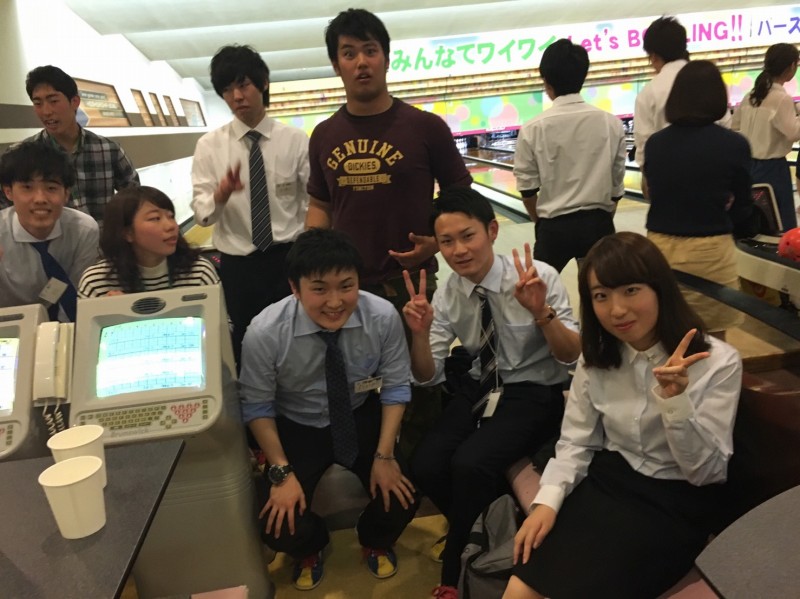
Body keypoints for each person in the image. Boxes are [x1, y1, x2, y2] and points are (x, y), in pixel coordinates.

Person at [504, 232, 742, 599]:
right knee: (520, 586)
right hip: (610, 480)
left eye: (631, 290)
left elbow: (706, 472)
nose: (616, 309)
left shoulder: (718, 363)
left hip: (675, 500)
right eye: (601, 296)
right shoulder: (598, 355)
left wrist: (676, 403)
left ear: (660, 289)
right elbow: (576, 440)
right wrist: (547, 501)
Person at [306, 8, 473, 457]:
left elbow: (462, 199)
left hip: (410, 283)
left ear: (386, 57)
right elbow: (320, 205)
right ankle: (368, 461)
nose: (361, 62)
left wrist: (438, 243)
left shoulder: (425, 127)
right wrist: (307, 264)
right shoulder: (323, 135)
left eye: (370, 50)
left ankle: (421, 465)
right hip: (347, 286)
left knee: (420, 381)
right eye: (349, 53)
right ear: (336, 64)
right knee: (356, 381)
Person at [401, 187, 581, 599]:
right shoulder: (449, 291)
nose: (459, 250)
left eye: (468, 236)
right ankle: (482, 528)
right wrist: (420, 335)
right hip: (479, 387)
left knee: (470, 463)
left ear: (493, 231)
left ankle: (453, 574)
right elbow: (427, 376)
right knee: (425, 464)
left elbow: (571, 357)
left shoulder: (538, 276)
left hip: (533, 390)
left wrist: (540, 312)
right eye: (447, 241)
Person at [239, 228, 418, 591]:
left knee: (402, 497)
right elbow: (257, 406)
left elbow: (396, 385)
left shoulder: (382, 316)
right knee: (278, 525)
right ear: (295, 287)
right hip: (297, 423)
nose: (335, 302)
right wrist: (281, 471)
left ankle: (373, 537)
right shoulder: (265, 331)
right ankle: (312, 545)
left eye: (346, 286)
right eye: (319, 289)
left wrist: (385, 456)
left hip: (358, 412)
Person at [191, 44, 310, 365]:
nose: (236, 97)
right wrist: (220, 194)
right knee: (247, 340)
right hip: (238, 265)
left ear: (263, 82)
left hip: (287, 257)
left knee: (298, 335)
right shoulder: (209, 146)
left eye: (243, 85)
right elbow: (201, 214)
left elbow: (312, 199)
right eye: (227, 90)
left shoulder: (295, 140)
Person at [645, 60, 758, 337]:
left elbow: (652, 193)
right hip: (712, 251)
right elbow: (743, 205)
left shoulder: (655, 144)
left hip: (660, 249)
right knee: (715, 340)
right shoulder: (734, 144)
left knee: (667, 335)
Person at [514, 38, 626, 273]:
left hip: (553, 228)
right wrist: (603, 217)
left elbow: (527, 190)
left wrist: (542, 223)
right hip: (598, 223)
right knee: (603, 290)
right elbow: (617, 186)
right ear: (583, 76)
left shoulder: (532, 128)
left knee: (540, 291)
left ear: (546, 82)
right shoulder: (611, 123)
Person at [0, 66, 140, 223]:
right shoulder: (19, 156)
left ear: (74, 102)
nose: (46, 111)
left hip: (101, 238)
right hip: (49, 238)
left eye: (53, 101)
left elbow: (135, 201)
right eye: (38, 103)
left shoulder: (109, 150)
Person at [0, 141, 98, 319]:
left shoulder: (83, 230)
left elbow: (79, 291)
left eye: (51, 188)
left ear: (66, 194)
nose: (40, 199)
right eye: (27, 187)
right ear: (8, 192)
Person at [78, 186, 219, 297]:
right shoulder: (96, 282)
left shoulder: (198, 272)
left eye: (171, 216)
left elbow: (222, 323)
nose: (171, 226)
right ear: (127, 233)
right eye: (155, 218)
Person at [732, 43, 800, 231]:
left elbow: (734, 126)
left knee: (758, 221)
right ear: (791, 66)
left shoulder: (750, 95)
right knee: (780, 225)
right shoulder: (781, 98)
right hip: (773, 169)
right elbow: (794, 133)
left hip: (749, 166)